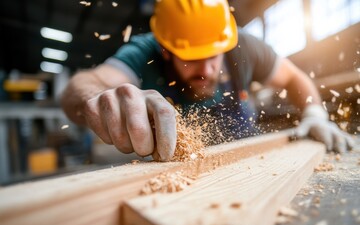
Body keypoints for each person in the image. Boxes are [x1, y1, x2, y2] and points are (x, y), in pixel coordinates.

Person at [61, 0, 354, 161]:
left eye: (213, 55)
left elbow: (294, 77)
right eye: (191, 57)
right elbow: (85, 84)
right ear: (166, 49)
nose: (207, 68)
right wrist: (96, 99)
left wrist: (315, 113)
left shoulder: (244, 46)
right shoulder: (144, 52)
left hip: (249, 160)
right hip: (179, 178)